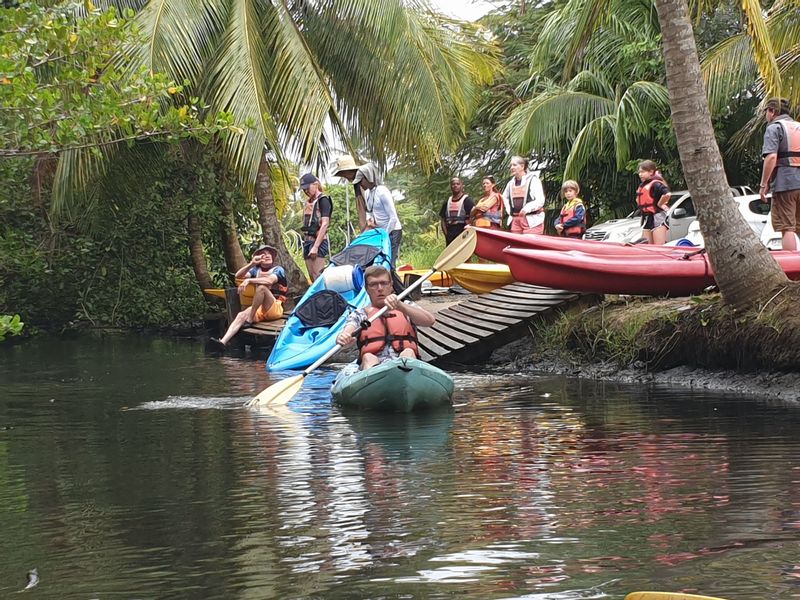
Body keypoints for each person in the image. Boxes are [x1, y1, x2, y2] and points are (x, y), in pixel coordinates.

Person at [335, 265, 435, 370]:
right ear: (367, 289)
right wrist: (343, 337)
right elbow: (348, 330)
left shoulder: (406, 306)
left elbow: (430, 321)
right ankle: (373, 379)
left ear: (391, 285)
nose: (380, 288)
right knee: (368, 357)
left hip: (404, 363)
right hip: (373, 365)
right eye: (373, 284)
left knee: (408, 352)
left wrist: (400, 305)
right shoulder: (360, 314)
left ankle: (406, 374)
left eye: (383, 283)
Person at [207, 245, 288, 352]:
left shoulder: (278, 270)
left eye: (269, 253)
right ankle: (222, 342)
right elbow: (238, 276)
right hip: (260, 310)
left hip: (275, 309)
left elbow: (269, 281)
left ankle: (250, 319)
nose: (267, 255)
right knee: (241, 315)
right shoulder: (256, 270)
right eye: (264, 253)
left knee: (262, 288)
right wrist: (252, 264)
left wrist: (249, 281)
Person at [760, 98, 800, 252]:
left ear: (772, 112)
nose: (766, 116)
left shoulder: (775, 128)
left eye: (766, 112)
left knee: (787, 227)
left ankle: (792, 272)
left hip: (786, 183)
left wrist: (764, 184)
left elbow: (771, 157)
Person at [353, 164, 403, 268]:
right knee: (378, 263)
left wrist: (385, 235)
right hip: (380, 232)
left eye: (361, 181)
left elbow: (393, 218)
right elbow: (370, 212)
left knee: (389, 265)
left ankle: (396, 284)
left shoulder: (382, 191)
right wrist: (369, 221)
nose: (360, 185)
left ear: (368, 178)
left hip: (392, 231)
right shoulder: (367, 193)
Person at [298, 173, 332, 281]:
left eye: (307, 188)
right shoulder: (308, 202)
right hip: (307, 241)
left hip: (318, 241)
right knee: (312, 277)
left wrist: (316, 246)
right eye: (304, 190)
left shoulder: (323, 200)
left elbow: (325, 223)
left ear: (315, 184)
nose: (306, 191)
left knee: (318, 276)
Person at [501, 156, 546, 234]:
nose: (512, 167)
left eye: (514, 165)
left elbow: (540, 200)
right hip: (516, 220)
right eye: (511, 165)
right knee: (516, 244)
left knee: (530, 245)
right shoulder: (511, 183)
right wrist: (509, 210)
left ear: (522, 166)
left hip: (532, 220)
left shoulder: (533, 180)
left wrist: (526, 209)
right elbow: (504, 197)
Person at [636, 160, 671, 244]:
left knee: (659, 247)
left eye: (642, 172)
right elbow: (638, 199)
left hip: (658, 217)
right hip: (648, 218)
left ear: (651, 172)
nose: (640, 174)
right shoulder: (643, 185)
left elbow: (667, 194)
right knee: (646, 246)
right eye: (639, 172)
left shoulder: (656, 184)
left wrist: (660, 204)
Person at [333, 155, 367, 231]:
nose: (344, 176)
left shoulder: (363, 182)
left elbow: (369, 207)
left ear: (349, 171)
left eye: (344, 173)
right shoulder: (356, 183)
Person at [439, 177, 475, 245]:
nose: (455, 186)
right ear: (451, 186)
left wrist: (468, 233)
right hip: (450, 235)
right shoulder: (447, 202)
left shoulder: (467, 201)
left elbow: (473, 217)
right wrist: (446, 234)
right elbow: (443, 220)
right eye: (453, 184)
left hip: (463, 235)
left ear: (461, 185)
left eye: (458, 184)